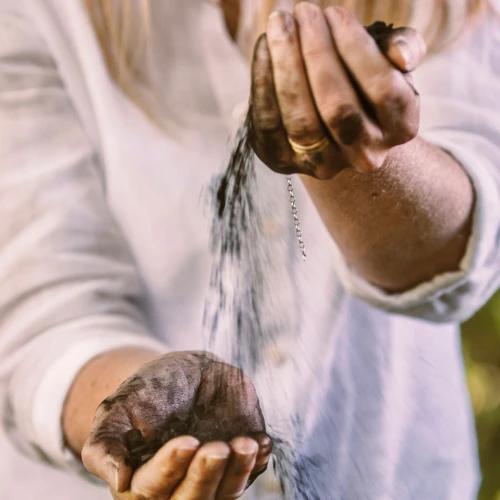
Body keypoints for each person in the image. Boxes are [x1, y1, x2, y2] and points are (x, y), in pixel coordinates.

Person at [0, 0, 498, 498]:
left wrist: (367, 156)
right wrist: (145, 409)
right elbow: (41, 313)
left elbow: (461, 254)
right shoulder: (36, 14)